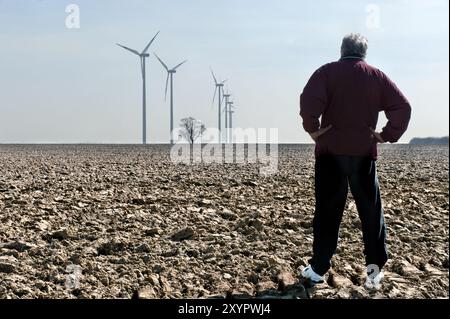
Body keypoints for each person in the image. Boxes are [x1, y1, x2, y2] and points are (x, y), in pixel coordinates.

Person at [299, 33, 411, 290]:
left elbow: (308, 101)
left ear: (341, 49)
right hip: (362, 154)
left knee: (328, 212)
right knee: (371, 213)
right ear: (364, 53)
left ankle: (317, 270)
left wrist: (312, 128)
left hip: (330, 154)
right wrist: (387, 134)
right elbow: (403, 107)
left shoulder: (326, 72)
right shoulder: (376, 76)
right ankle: (374, 272)